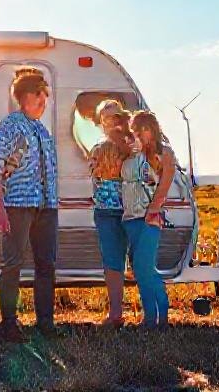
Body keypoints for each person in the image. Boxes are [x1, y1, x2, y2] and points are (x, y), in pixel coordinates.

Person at [0, 67, 58, 342]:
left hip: (46, 207)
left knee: (46, 265)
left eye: (45, 96)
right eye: (39, 95)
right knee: (13, 263)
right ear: (25, 96)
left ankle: (46, 323)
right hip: (18, 206)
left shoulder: (42, 130)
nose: (43, 101)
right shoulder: (10, 126)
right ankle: (9, 324)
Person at [124, 110, 178, 328]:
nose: (139, 134)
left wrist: (153, 210)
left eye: (142, 130)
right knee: (139, 269)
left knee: (144, 266)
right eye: (136, 131)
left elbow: (165, 184)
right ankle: (149, 317)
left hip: (150, 217)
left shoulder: (164, 153)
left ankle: (162, 314)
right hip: (130, 216)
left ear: (151, 129)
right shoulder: (133, 154)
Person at [88, 104, 135, 327]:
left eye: (114, 117)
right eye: (104, 119)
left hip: (132, 210)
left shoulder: (134, 143)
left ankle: (151, 311)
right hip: (106, 210)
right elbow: (95, 172)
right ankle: (116, 313)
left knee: (139, 260)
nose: (109, 122)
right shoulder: (98, 147)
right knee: (112, 261)